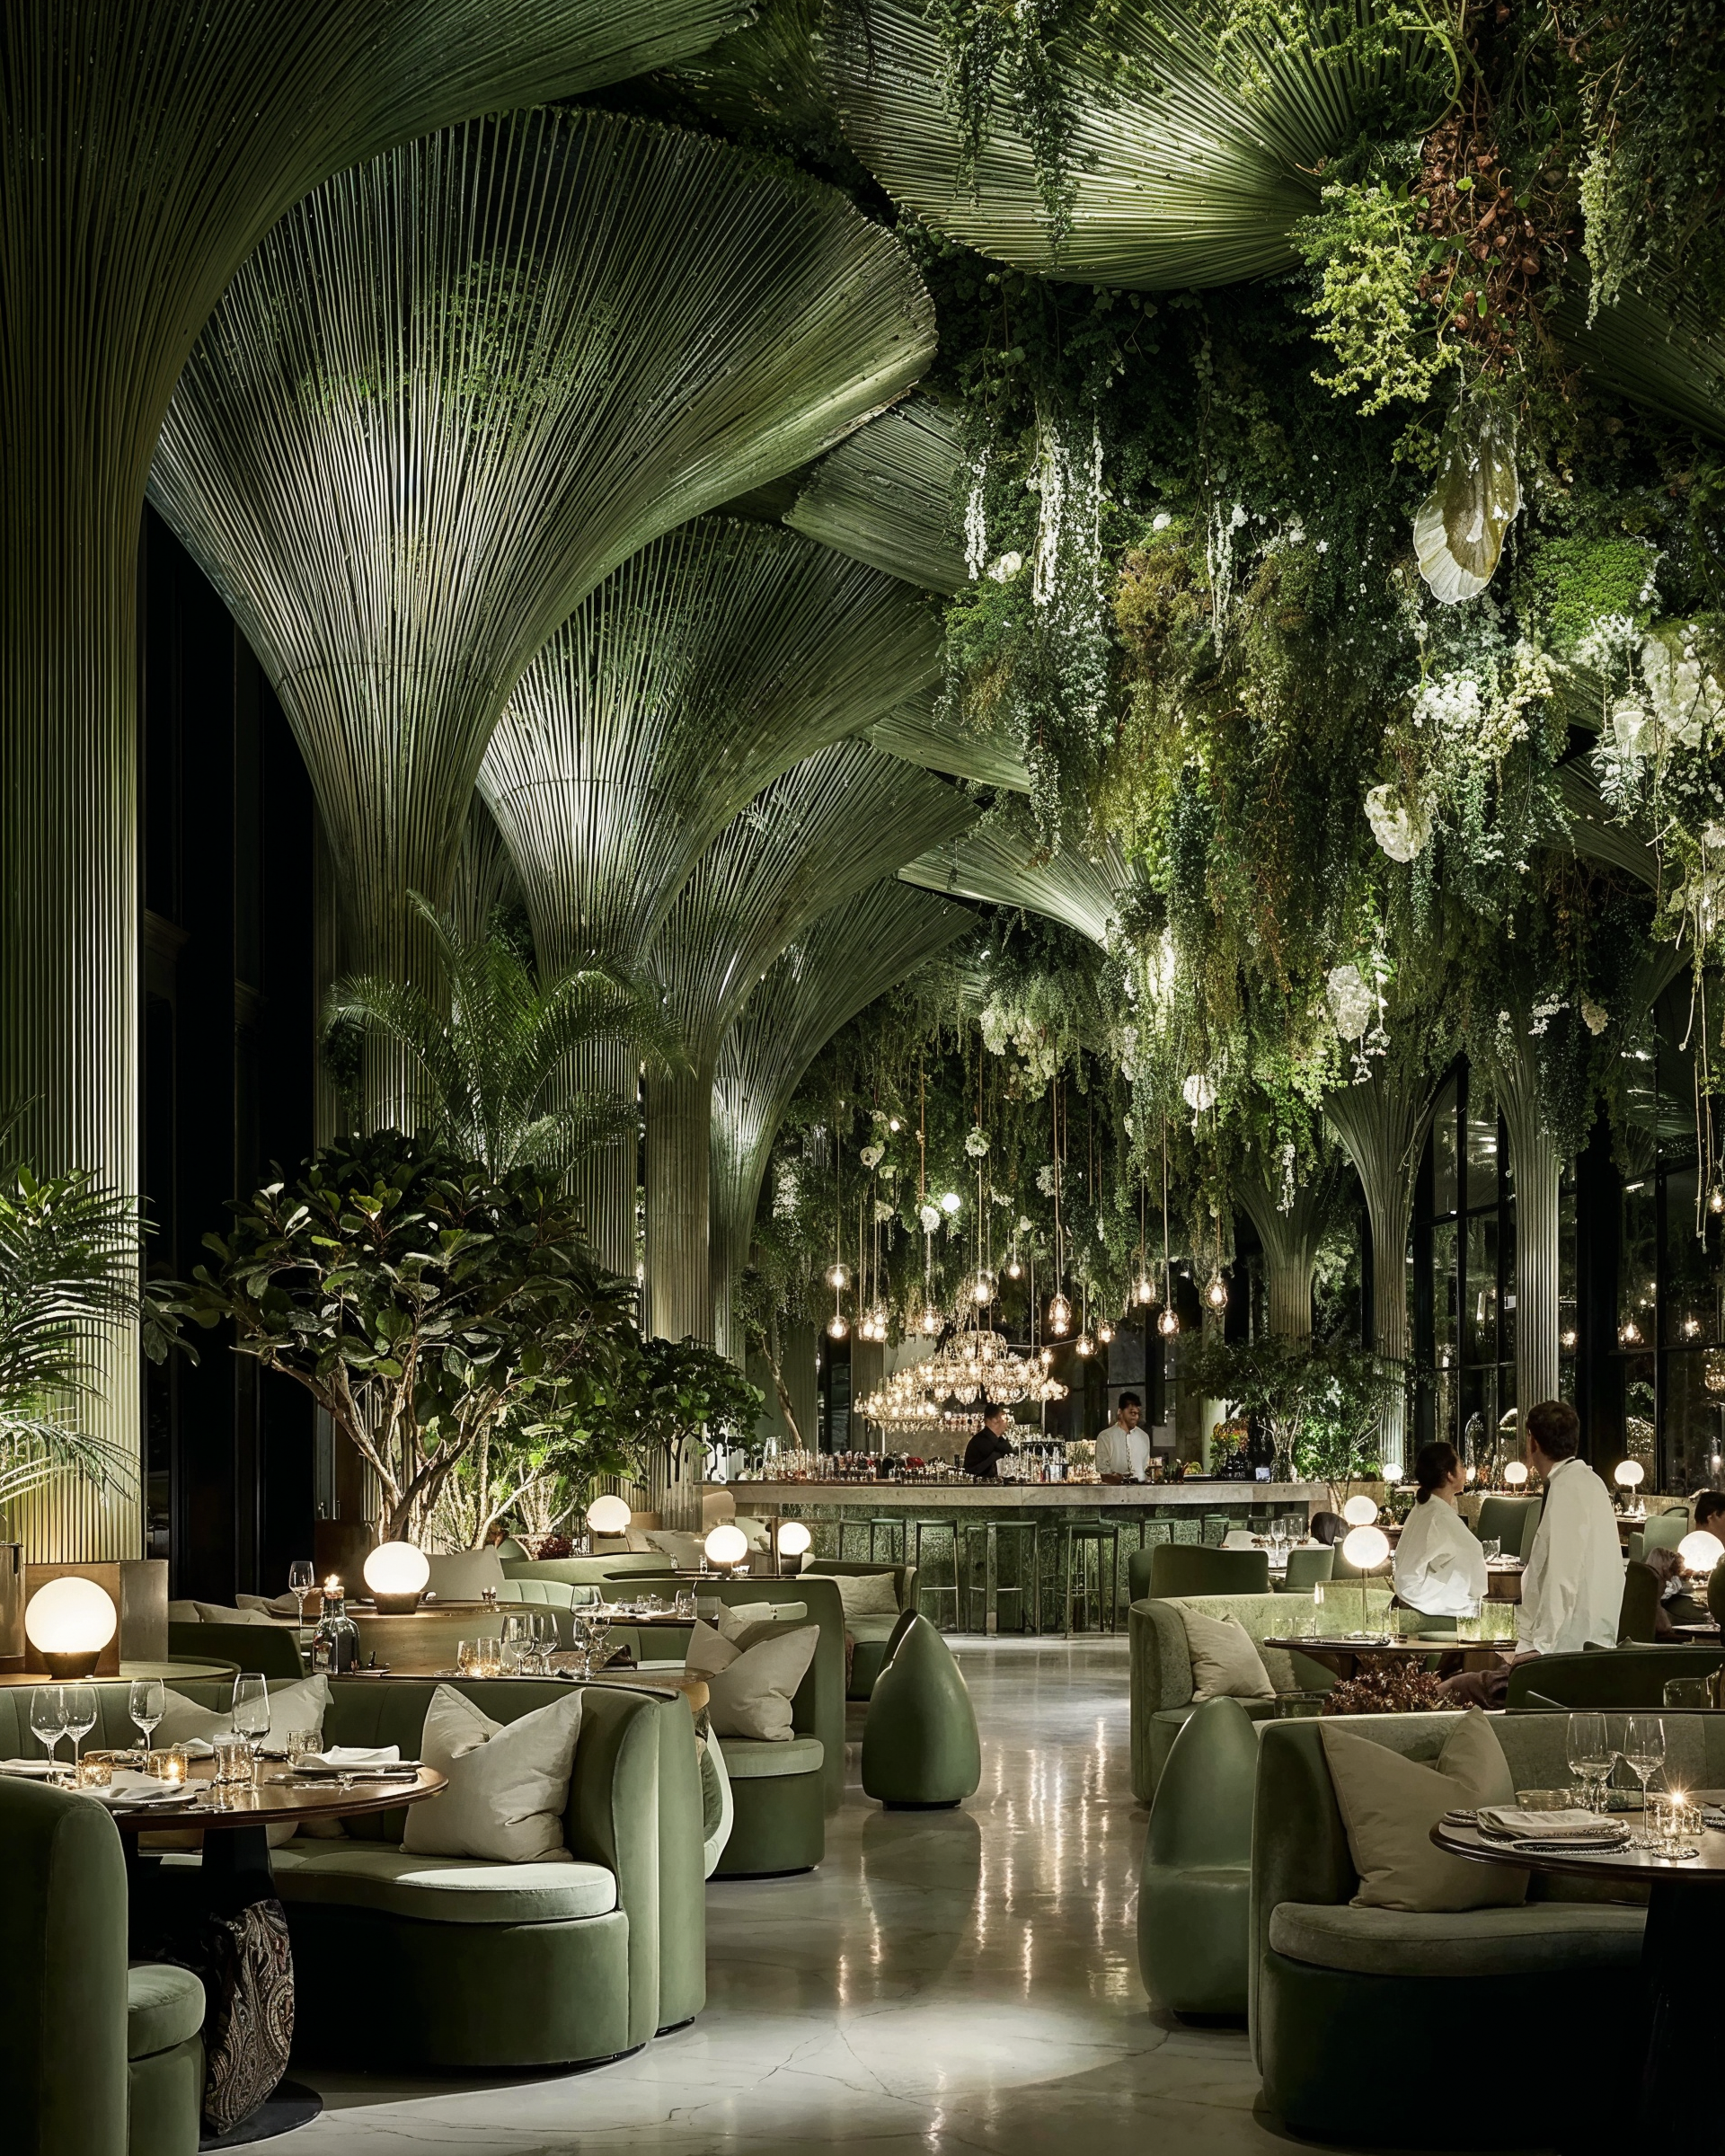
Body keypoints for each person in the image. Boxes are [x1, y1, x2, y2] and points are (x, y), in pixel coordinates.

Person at [1518, 1399, 1623, 1657]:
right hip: (1592, 1640)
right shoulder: (1589, 1482)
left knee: (1456, 1688)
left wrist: (1540, 1648)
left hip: (1566, 1650)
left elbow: (1562, 1576)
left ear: (1533, 1442)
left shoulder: (1568, 1489)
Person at [1393, 1438, 1488, 1617]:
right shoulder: (1437, 1516)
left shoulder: (1429, 1509)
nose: (1464, 1471)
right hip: (1434, 1605)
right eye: (1460, 1465)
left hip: (1446, 1600)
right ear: (1450, 1475)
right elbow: (1410, 1574)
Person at [1096, 1393, 1150, 1482]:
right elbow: (1104, 1473)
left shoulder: (1144, 1437)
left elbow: (1145, 1469)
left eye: (1137, 1413)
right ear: (1120, 1412)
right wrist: (1117, 1479)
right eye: (1132, 1412)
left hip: (1140, 1491)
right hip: (1114, 1492)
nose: (1135, 1416)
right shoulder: (1105, 1437)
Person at [962, 1404, 1016, 1480]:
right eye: (1005, 1419)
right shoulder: (978, 1442)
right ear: (995, 1420)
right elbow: (970, 1472)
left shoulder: (1003, 1442)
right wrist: (993, 1458)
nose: (1007, 1423)